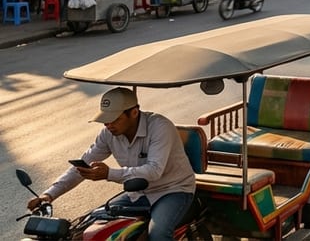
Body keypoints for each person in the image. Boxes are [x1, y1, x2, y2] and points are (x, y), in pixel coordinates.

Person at [28, 88, 196, 241]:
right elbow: (81, 166)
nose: (108, 125)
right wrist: (48, 195)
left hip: (172, 190)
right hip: (137, 193)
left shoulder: (160, 127)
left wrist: (109, 174)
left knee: (158, 234)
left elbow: (154, 171)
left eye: (114, 120)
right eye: (105, 121)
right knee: (90, 223)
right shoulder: (108, 134)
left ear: (134, 112)